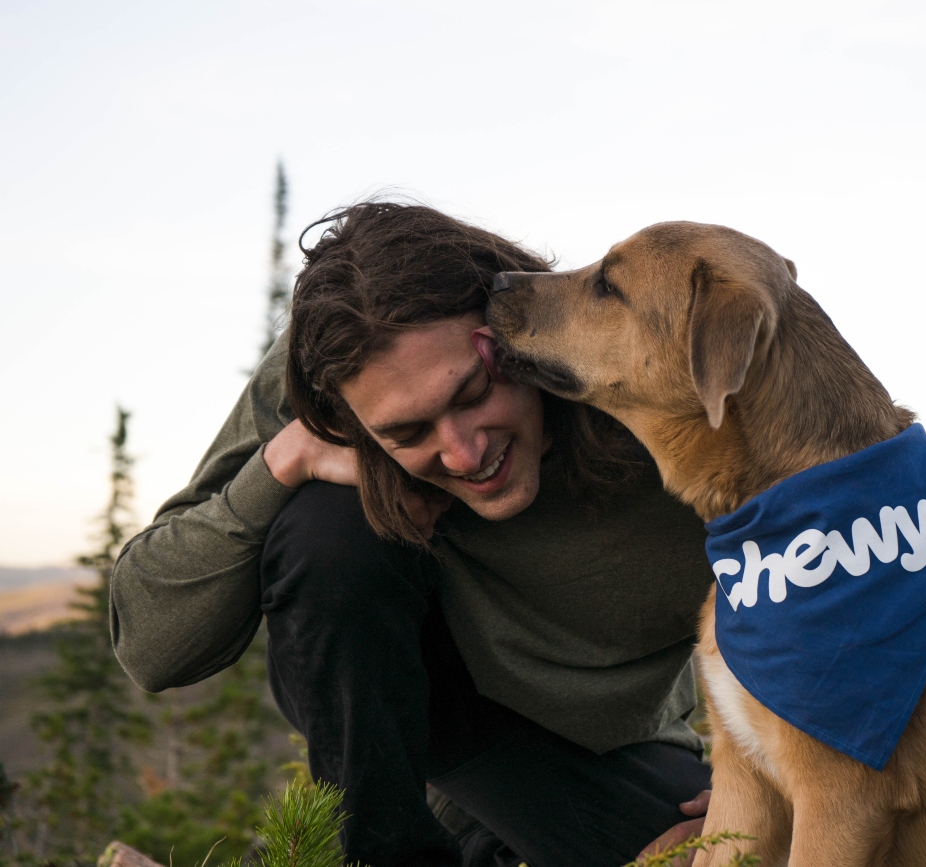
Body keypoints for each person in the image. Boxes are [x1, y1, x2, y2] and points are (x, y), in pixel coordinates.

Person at [109, 203, 717, 867]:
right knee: (328, 530)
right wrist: (285, 459)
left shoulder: (658, 397)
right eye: (407, 432)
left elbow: (837, 585)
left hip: (605, 760)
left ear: (516, 330)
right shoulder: (327, 373)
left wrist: (757, 791)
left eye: (475, 391)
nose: (463, 453)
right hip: (412, 751)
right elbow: (150, 642)